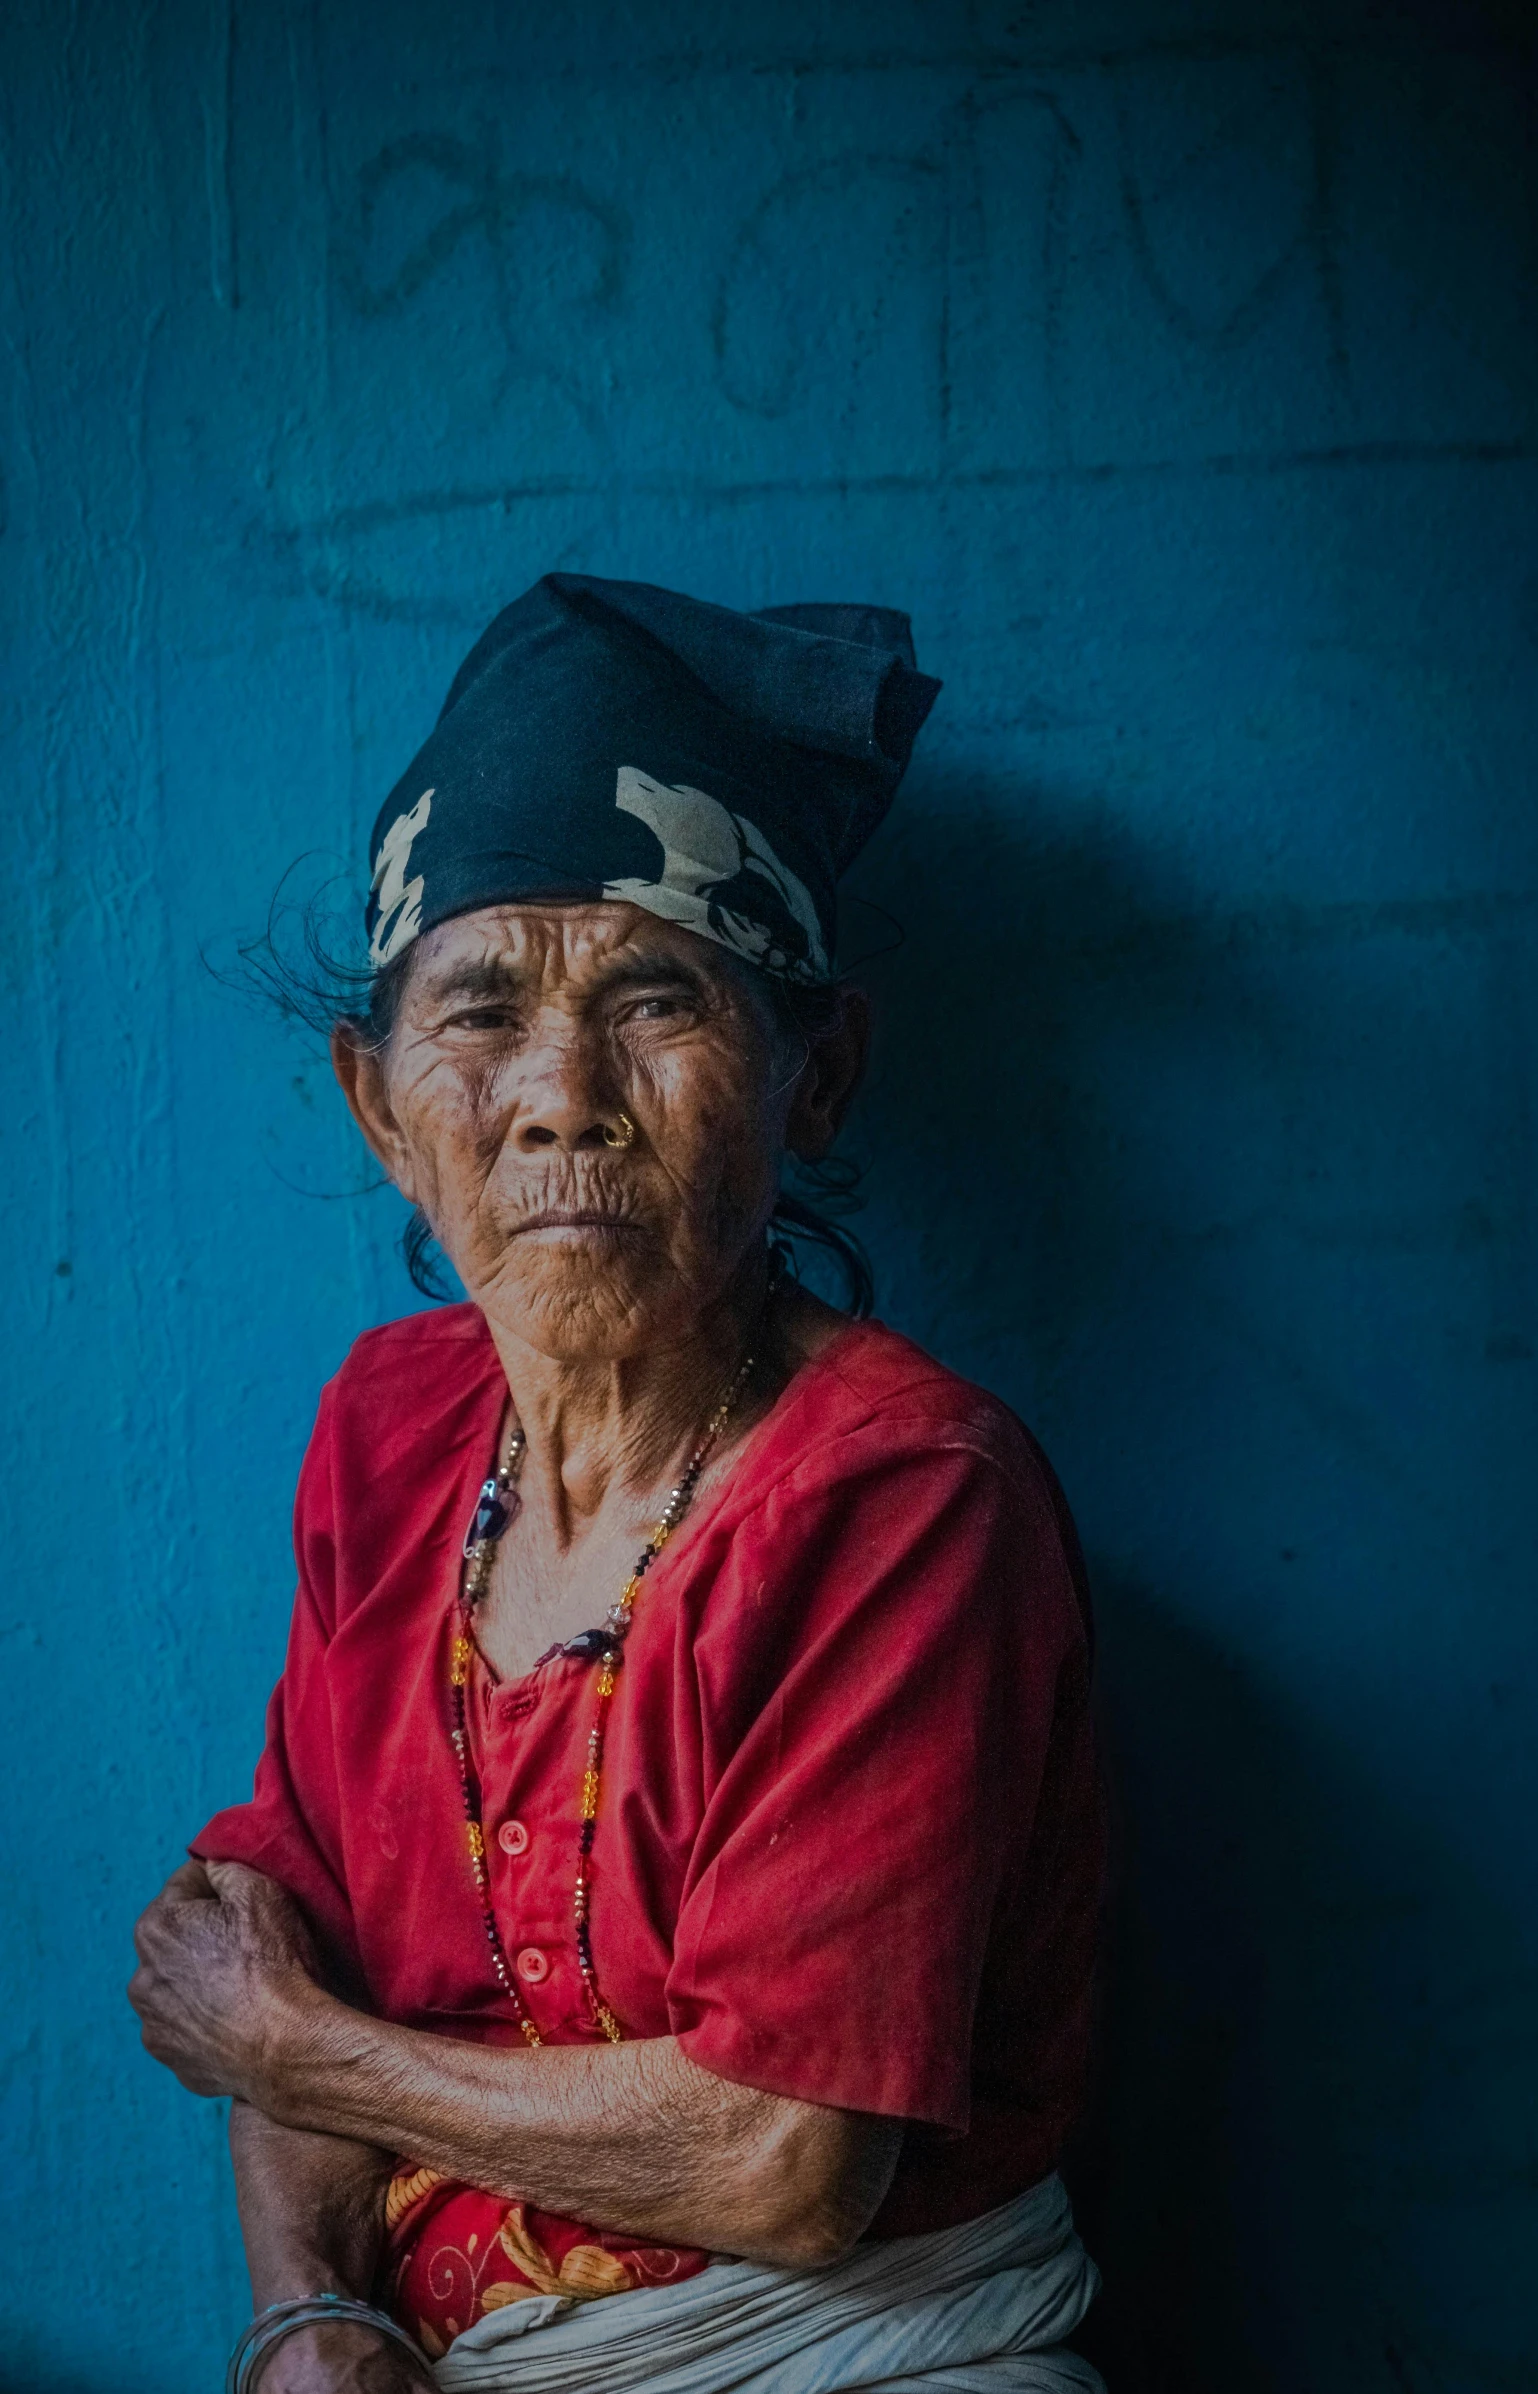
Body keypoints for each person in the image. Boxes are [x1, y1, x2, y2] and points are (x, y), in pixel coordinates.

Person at [129, 575, 1107, 2394]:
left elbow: (788, 2160)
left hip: (854, 2353)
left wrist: (294, 2051)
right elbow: (281, 1914)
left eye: (657, 1000)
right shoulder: (388, 1426)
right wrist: (309, 2311)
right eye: (479, 1013)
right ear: (378, 1106)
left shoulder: (900, 1494)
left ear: (816, 1080)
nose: (558, 1094)